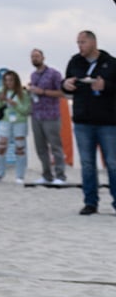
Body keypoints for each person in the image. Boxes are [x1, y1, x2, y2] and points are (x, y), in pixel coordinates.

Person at [61, 29, 116, 215]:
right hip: (83, 121)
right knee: (87, 164)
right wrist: (65, 85)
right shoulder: (75, 62)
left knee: (112, 163)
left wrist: (105, 85)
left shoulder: (111, 63)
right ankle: (90, 203)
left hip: (108, 122)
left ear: (93, 42)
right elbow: (66, 84)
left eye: (83, 42)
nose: (80, 46)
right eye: (78, 42)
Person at [27, 47, 67, 185]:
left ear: (43, 58)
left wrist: (42, 92)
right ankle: (46, 175)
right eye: (32, 57)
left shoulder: (54, 74)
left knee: (55, 146)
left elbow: (62, 93)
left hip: (51, 115)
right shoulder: (33, 75)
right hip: (36, 115)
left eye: (37, 56)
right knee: (40, 147)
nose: (34, 59)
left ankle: (60, 176)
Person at [0, 69, 31, 184]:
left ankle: (20, 176)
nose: (8, 82)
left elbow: (26, 110)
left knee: (20, 148)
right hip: (5, 121)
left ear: (16, 81)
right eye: (6, 80)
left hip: (20, 122)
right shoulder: (0, 90)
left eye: (11, 80)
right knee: (1, 147)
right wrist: (1, 100)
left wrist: (14, 103)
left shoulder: (23, 93)